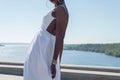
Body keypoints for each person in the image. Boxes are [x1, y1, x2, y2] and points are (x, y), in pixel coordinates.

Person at [23, 0, 69, 80]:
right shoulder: (60, 8)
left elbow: (60, 38)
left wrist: (55, 63)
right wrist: (58, 62)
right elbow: (60, 39)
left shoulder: (60, 10)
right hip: (40, 52)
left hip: (42, 53)